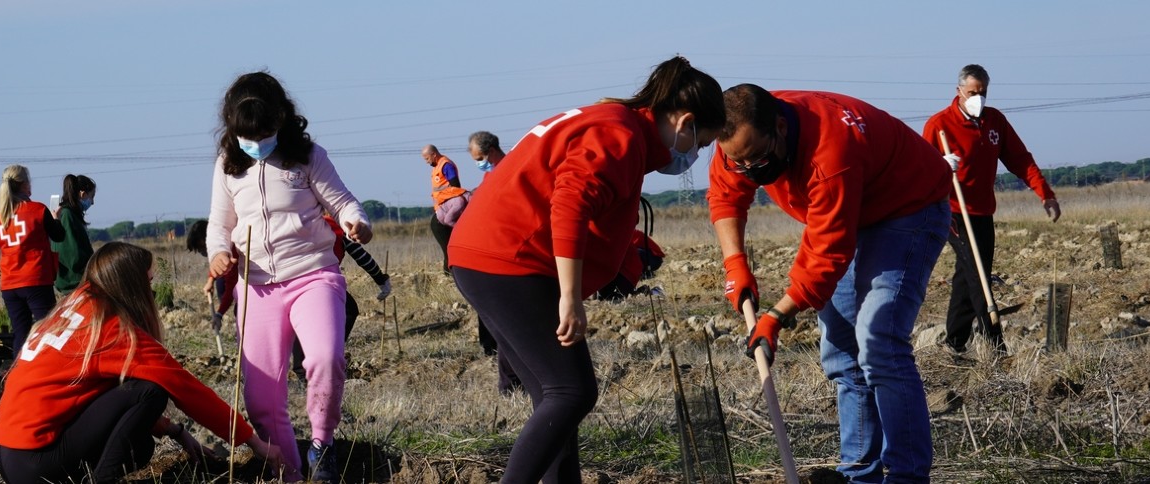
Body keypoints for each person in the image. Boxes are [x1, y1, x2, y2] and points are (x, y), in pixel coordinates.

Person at [449, 56, 724, 483]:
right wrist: (570, 296)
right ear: (684, 122)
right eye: (701, 143)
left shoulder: (615, 122)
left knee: (554, 397)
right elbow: (570, 206)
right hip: (511, 259)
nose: (696, 155)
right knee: (572, 392)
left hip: (486, 254)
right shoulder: (620, 136)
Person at [709, 84, 952, 483]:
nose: (750, 169)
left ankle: (907, 476)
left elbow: (827, 254)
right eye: (739, 162)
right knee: (842, 352)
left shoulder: (830, 149)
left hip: (908, 208)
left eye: (757, 158)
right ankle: (859, 472)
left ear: (781, 129)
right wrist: (735, 266)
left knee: (879, 341)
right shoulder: (737, 135)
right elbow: (725, 197)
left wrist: (775, 317)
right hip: (849, 214)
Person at [0, 242, 285, 483]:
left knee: (142, 444)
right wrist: (254, 442)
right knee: (151, 390)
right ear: (131, 285)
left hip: (9, 456)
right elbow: (184, 386)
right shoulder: (111, 329)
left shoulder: (77, 304)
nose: (152, 290)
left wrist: (174, 430)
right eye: (149, 281)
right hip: (36, 462)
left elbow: (91, 398)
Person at [206, 71, 372, 483]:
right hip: (256, 286)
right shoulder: (228, 165)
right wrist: (218, 254)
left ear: (281, 119)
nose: (256, 142)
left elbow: (344, 202)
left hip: (313, 274)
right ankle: (290, 472)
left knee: (324, 358)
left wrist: (356, 221)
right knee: (262, 397)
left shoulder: (308, 156)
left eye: (263, 132)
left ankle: (322, 444)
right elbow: (218, 225)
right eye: (246, 135)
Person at [922, 64, 1061, 353]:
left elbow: (1020, 159)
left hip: (983, 211)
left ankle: (955, 343)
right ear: (959, 91)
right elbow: (917, 172)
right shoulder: (939, 125)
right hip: (952, 211)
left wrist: (1045, 194)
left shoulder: (995, 121)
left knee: (968, 275)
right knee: (979, 277)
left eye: (983, 92)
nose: (978, 98)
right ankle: (996, 346)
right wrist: (938, 167)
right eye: (972, 92)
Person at [289, 215, 392, 381]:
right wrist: (380, 279)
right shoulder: (338, 228)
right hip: (322, 281)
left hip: (291, 280)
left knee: (299, 320)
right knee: (349, 310)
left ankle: (304, 369)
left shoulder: (299, 223)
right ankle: (320, 360)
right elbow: (361, 257)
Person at [0, 165, 65, 356]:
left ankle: (17, 376)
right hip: (35, 280)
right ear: (24, 185)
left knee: (20, 336)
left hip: (9, 284)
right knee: (49, 332)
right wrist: (56, 219)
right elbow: (59, 236)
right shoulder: (37, 210)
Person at [423, 144, 468, 273]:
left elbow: (455, 187)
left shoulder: (445, 165)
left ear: (434, 154)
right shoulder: (437, 167)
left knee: (448, 246)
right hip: (442, 209)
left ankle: (450, 272)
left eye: (427, 158)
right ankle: (449, 272)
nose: (427, 162)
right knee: (447, 246)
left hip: (449, 209)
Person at [52, 174, 97, 295]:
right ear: (82, 194)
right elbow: (72, 254)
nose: (92, 202)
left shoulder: (68, 214)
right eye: (92, 196)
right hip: (75, 281)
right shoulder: (67, 215)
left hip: (76, 282)